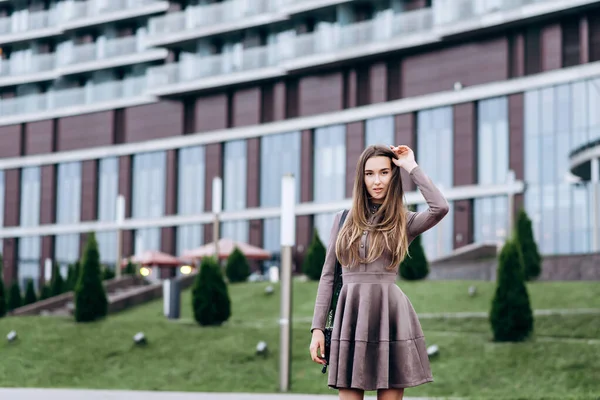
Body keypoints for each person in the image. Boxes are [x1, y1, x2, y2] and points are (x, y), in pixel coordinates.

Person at [309, 144, 449, 400]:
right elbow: (328, 276)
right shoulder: (342, 219)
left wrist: (411, 166)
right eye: (370, 173)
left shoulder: (404, 220)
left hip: (390, 314)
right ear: (361, 178)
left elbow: (439, 208)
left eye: (384, 172)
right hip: (350, 314)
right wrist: (317, 328)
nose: (377, 181)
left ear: (393, 176)